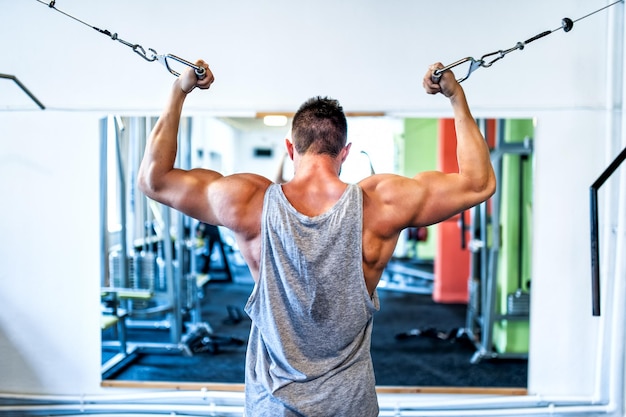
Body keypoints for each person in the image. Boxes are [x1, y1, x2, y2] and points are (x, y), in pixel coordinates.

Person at [138, 60, 496, 417]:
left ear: (291, 149)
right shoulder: (382, 203)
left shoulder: (248, 201)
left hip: (272, 406)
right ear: (345, 151)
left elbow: (154, 180)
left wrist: (179, 90)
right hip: (349, 405)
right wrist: (455, 94)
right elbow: (480, 183)